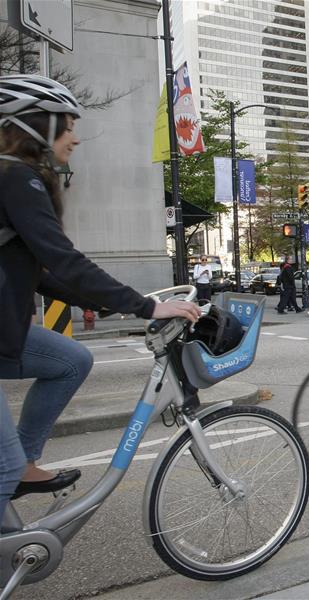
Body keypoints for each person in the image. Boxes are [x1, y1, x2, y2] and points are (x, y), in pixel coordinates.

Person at [0, 75, 200, 523]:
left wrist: (117, 301)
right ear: (37, 126)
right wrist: (148, 306)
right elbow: (63, 259)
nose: (75, 137)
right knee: (0, 468)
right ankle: (13, 479)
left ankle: (23, 467)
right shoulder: (16, 178)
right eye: (67, 124)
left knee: (71, 360)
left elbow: (43, 274)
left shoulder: (16, 178)